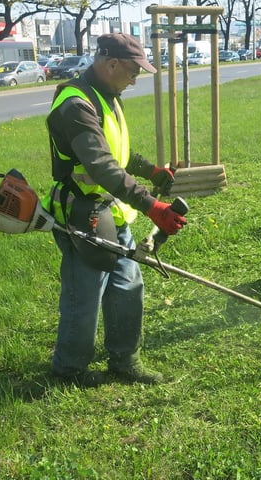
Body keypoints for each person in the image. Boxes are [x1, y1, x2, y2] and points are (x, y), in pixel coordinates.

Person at [43, 33, 186, 387]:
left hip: (111, 214)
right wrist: (153, 206)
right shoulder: (75, 104)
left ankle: (125, 362)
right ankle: (69, 370)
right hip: (82, 214)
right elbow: (102, 167)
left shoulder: (106, 95)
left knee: (127, 286)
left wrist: (150, 169)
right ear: (111, 65)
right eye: (134, 71)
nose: (135, 79)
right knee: (85, 295)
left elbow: (119, 156)